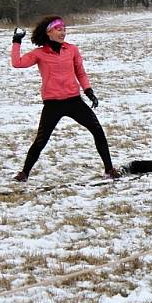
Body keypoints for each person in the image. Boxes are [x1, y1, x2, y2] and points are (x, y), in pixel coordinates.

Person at [10, 16, 120, 181]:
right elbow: (17, 63)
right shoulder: (39, 54)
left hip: (74, 101)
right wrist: (16, 41)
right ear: (49, 32)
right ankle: (24, 173)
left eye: (64, 29)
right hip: (53, 104)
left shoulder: (72, 50)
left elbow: (80, 72)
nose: (63, 32)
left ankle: (109, 169)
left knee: (98, 131)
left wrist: (88, 90)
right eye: (59, 29)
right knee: (41, 141)